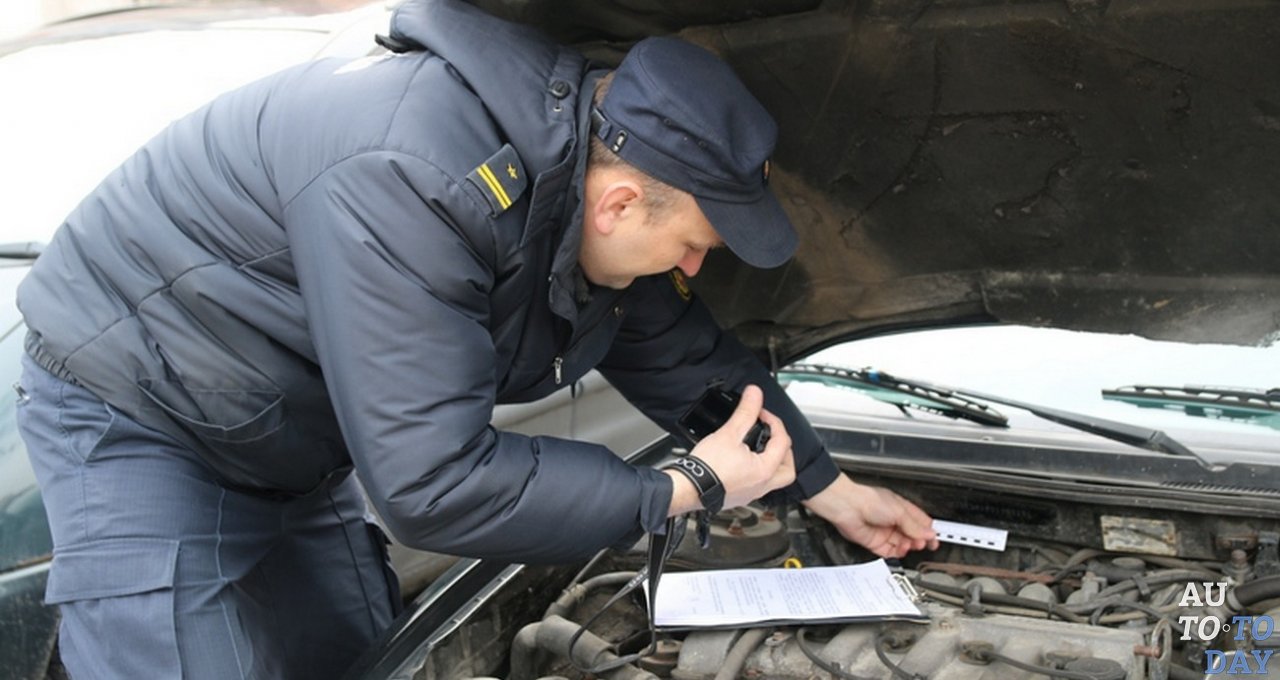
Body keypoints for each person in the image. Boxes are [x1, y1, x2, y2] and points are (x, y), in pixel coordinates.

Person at [15, 0, 938, 677]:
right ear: (620, 203)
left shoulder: (585, 191)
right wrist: (684, 486)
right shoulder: (414, 176)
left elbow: (689, 360)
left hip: (287, 424)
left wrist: (830, 486)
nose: (690, 265)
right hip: (141, 406)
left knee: (361, 652)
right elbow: (433, 486)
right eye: (694, 243)